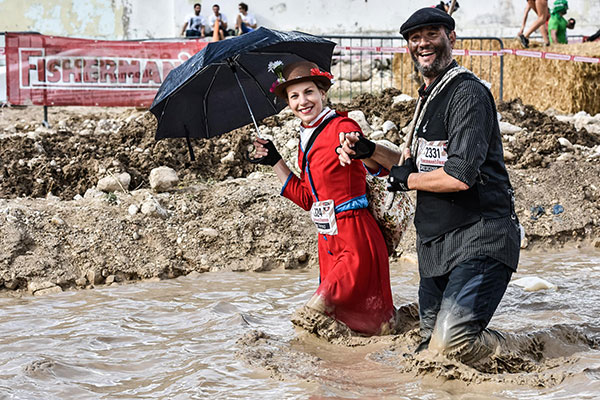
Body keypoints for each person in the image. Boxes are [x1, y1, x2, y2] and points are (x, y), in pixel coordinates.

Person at [337, 8, 521, 366]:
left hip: (480, 236)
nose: (423, 43)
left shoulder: (467, 94)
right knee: (428, 349)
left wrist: (406, 180)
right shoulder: (428, 97)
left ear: (451, 38)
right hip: (436, 245)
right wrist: (369, 150)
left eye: (431, 34)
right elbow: (413, 164)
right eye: (414, 38)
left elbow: (459, 175)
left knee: (450, 345)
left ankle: (526, 346)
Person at [250, 61, 396, 335]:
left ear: (323, 93)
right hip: (327, 239)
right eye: (294, 96)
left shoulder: (343, 125)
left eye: (309, 92)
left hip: (355, 236)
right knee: (346, 325)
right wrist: (275, 160)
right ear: (288, 103)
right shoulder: (305, 138)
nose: (302, 101)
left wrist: (359, 148)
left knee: (316, 312)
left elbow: (376, 164)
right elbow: (308, 199)